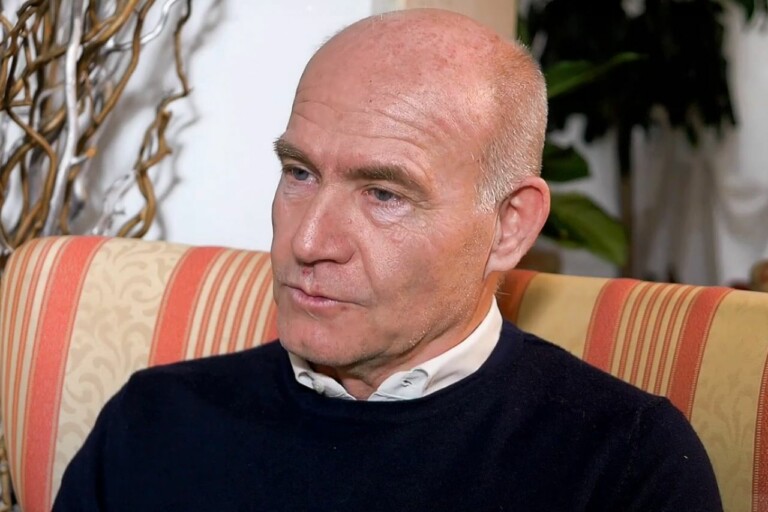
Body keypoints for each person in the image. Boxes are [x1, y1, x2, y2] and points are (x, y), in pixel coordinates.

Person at [54, 8, 722, 511]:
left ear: (509, 225)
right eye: (299, 173)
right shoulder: (152, 424)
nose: (308, 242)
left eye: (383, 193)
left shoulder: (625, 465)